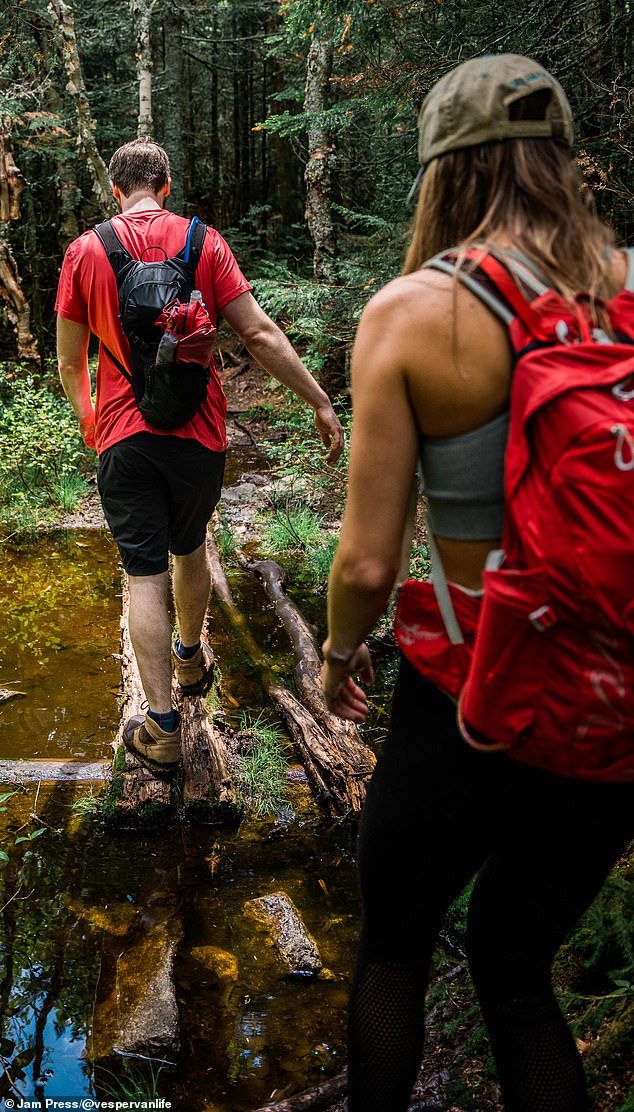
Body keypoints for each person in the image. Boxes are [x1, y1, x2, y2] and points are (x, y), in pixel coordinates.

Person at [321, 55, 634, 1112]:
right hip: (610, 717)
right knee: (515, 969)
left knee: (395, 951)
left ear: (440, 172)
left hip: (471, 706)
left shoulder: (415, 309)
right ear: (562, 159)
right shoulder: (630, 287)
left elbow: (367, 563)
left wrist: (333, 657)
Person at [56, 137, 344, 772]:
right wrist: (320, 401)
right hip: (199, 436)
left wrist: (91, 421)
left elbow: (71, 361)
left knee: (141, 573)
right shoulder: (204, 243)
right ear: (165, 187)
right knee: (191, 545)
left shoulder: (84, 251)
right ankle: (191, 655)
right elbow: (260, 333)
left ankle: (159, 727)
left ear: (114, 191)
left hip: (124, 437)